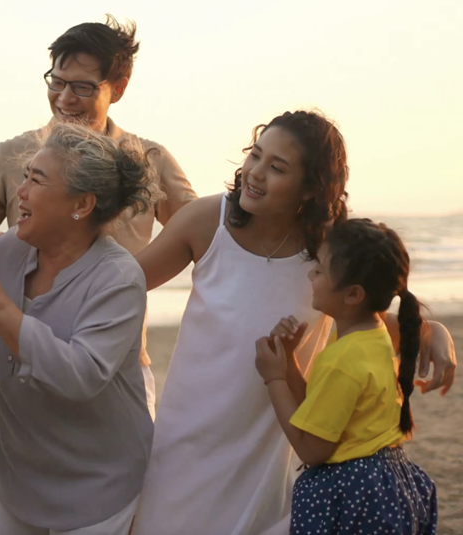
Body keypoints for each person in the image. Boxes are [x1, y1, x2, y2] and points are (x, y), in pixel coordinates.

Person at [131, 110, 457, 535]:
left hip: (279, 442)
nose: (255, 173)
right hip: (190, 436)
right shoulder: (208, 220)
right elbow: (121, 288)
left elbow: (365, 320)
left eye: (277, 167)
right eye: (255, 156)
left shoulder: (329, 246)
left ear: (311, 187)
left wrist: (435, 332)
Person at [0, 15, 197, 419]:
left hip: (119, 362)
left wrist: (125, 282)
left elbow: (199, 237)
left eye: (83, 87)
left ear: (118, 88)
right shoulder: (13, 155)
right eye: (57, 82)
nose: (65, 98)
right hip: (25, 354)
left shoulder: (148, 160)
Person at [0, 122, 156, 534]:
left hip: (98, 487)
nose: (20, 193)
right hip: (14, 481)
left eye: (37, 180)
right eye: (25, 177)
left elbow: (79, 376)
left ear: (82, 205)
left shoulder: (118, 278)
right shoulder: (3, 253)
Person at [255, 218, 437, 533]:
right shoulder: (372, 337)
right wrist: (289, 363)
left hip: (353, 493)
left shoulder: (342, 360)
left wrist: (274, 379)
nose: (311, 275)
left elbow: (312, 449)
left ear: (353, 294)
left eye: (320, 270)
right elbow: (319, 411)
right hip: (388, 481)